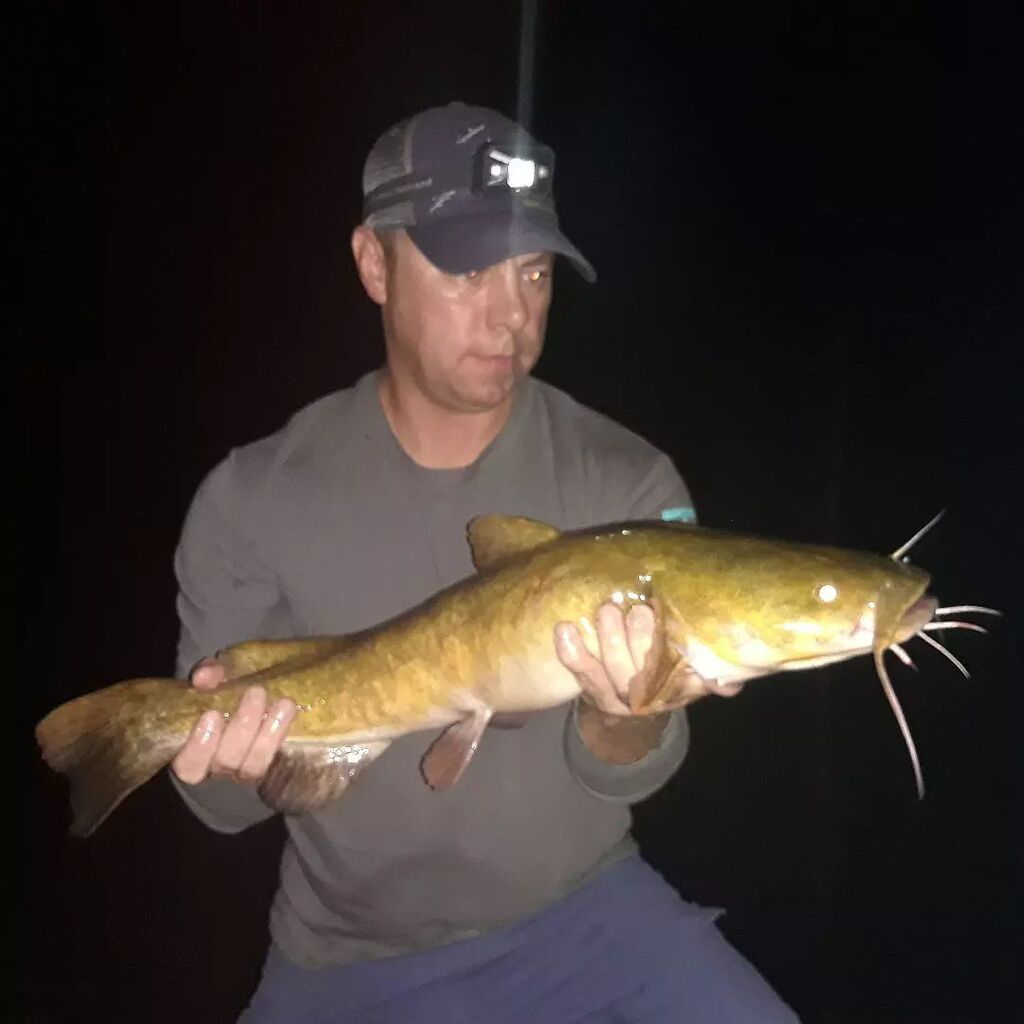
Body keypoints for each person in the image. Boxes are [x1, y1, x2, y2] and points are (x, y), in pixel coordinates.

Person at [169, 101, 799, 1023]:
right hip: (345, 961)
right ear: (372, 264)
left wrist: (626, 721)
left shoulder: (624, 480)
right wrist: (230, 764)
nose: (512, 315)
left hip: (586, 924)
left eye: (534, 273)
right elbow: (222, 814)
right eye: (469, 270)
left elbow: (628, 773)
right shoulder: (250, 498)